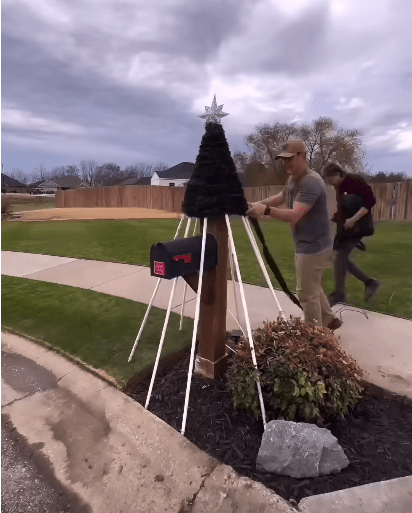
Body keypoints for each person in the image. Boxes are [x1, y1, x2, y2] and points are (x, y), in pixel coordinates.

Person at [246, 139, 342, 331]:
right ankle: (330, 320)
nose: (286, 163)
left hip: (314, 247)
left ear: (302, 156)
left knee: (306, 295)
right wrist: (255, 204)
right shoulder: (293, 179)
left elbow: (294, 216)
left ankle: (314, 336)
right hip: (306, 244)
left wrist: (265, 211)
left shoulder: (311, 182)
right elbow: (281, 197)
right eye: (283, 159)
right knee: (312, 286)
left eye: (290, 158)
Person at [323, 162, 380, 306]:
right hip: (346, 229)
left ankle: (340, 294)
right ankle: (369, 283)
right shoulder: (339, 187)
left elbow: (370, 201)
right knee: (340, 260)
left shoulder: (355, 180)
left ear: (337, 174)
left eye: (331, 180)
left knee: (340, 258)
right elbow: (343, 209)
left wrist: (354, 219)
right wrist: (335, 218)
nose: (330, 183)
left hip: (358, 227)